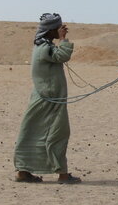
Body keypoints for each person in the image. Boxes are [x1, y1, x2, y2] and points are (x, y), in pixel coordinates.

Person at [13, 13, 81, 184]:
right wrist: (63, 39)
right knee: (58, 133)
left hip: (42, 97)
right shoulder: (45, 48)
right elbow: (62, 56)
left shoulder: (41, 46)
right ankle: (63, 175)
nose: (61, 29)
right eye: (58, 27)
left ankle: (23, 172)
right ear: (51, 30)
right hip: (51, 100)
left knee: (31, 133)